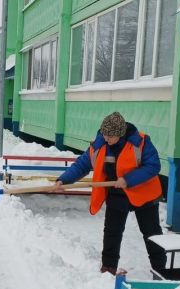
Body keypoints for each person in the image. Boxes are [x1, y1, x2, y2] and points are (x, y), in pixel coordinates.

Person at [52, 112, 166, 276]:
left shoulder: (140, 143)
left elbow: (153, 166)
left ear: (120, 134)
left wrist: (128, 179)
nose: (106, 138)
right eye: (104, 134)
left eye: (110, 136)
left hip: (144, 192)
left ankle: (160, 270)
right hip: (116, 192)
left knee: (151, 232)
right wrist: (63, 180)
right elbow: (82, 165)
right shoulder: (99, 145)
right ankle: (108, 268)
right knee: (112, 231)